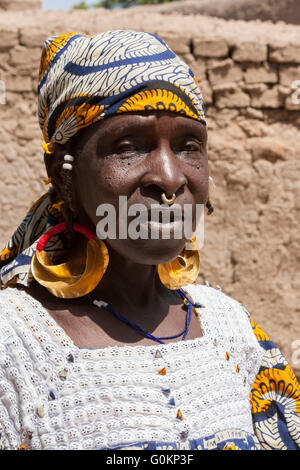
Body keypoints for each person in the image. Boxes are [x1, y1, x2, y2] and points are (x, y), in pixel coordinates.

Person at [0, 30, 299, 451]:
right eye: (128, 146)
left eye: (188, 146)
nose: (171, 178)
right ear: (63, 173)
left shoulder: (232, 332)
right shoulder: (14, 347)